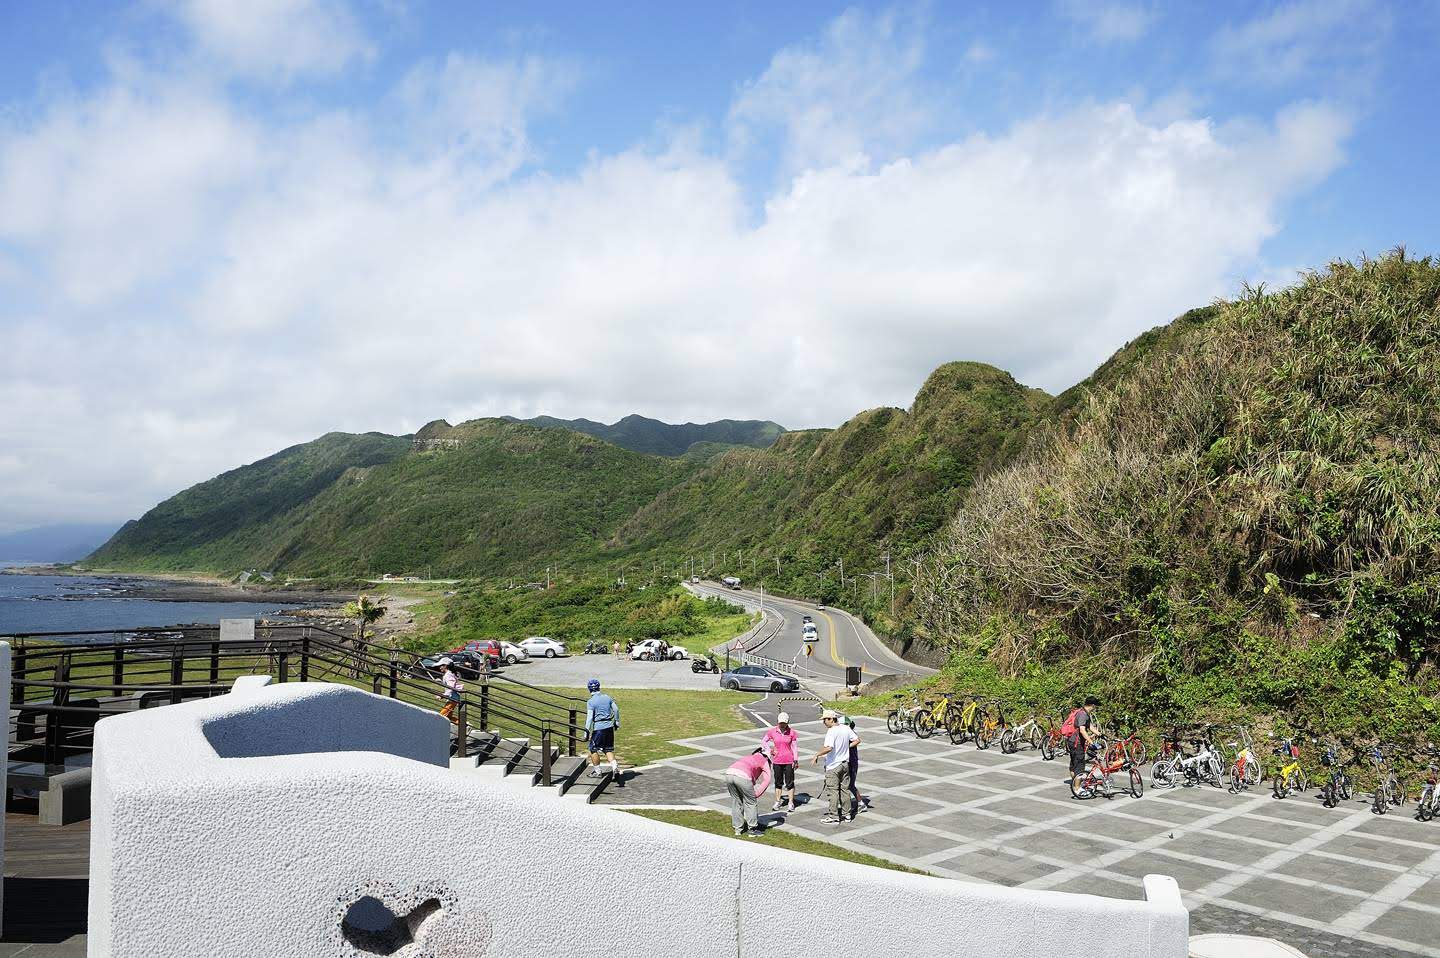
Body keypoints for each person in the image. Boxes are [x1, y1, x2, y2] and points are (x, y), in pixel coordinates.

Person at [811, 709, 858, 824]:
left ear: (831, 719)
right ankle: (847, 815)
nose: (824, 723)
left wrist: (817, 754)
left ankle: (834, 816)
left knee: (833, 791)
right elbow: (857, 740)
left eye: (825, 720)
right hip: (844, 764)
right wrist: (847, 748)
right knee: (845, 790)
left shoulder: (831, 731)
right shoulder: (845, 728)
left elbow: (829, 748)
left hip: (833, 766)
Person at [725, 743, 773, 836]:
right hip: (743, 777)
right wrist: (757, 794)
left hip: (729, 773)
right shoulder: (764, 761)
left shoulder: (749, 757)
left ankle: (737, 830)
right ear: (767, 757)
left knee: (737, 801)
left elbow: (751, 772)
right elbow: (767, 779)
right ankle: (752, 830)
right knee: (751, 802)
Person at [1064, 695, 1102, 794]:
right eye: (1096, 706)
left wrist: (1100, 734)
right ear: (1093, 705)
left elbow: (1090, 726)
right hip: (1077, 743)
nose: (1096, 708)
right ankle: (1077, 789)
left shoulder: (1082, 712)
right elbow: (1082, 730)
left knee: (1073, 764)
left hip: (1072, 741)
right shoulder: (1083, 714)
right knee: (1080, 766)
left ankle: (1075, 784)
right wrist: (1091, 742)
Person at [585, 678, 621, 779]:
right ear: (599, 687)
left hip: (599, 728)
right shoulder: (607, 697)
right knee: (607, 749)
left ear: (589, 689)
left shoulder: (591, 702)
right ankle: (615, 767)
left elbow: (589, 718)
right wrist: (617, 721)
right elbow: (616, 709)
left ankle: (598, 771)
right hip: (609, 727)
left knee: (593, 749)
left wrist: (586, 731)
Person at [763, 712, 799, 811]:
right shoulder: (772, 731)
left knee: (790, 783)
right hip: (777, 761)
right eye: (781, 723)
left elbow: (794, 747)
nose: (782, 725)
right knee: (778, 783)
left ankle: (791, 803)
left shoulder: (792, 733)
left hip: (789, 761)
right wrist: (770, 750)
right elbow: (764, 741)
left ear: (788, 722)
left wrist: (795, 759)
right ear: (778, 722)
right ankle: (778, 801)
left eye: (784, 723)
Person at [842, 715, 867, 817]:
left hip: (851, 763)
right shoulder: (846, 734)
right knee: (845, 785)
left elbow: (856, 742)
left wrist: (845, 747)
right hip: (847, 762)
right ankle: (846, 804)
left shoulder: (851, 735)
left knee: (850, 784)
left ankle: (860, 804)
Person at [436, 658, 464, 725]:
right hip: (452, 698)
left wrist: (442, 695)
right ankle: (463, 725)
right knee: (448, 717)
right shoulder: (449, 674)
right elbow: (449, 685)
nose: (439, 668)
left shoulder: (448, 675)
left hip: (452, 699)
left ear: (445, 666)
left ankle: (464, 726)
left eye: (441, 666)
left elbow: (450, 687)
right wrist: (441, 682)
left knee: (441, 716)